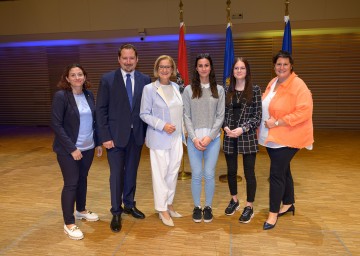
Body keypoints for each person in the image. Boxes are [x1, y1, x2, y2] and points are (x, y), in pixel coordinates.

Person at [96, 44, 151, 233]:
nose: (128, 62)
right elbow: (101, 110)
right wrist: (105, 137)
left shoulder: (145, 80)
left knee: (131, 174)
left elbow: (147, 109)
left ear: (137, 59)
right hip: (114, 138)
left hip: (136, 137)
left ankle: (129, 204)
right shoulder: (108, 79)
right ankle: (116, 211)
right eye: (125, 58)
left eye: (131, 58)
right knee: (117, 175)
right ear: (119, 59)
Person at [258, 50, 314, 230]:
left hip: (289, 136)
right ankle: (289, 202)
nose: (281, 67)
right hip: (274, 136)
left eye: (285, 64)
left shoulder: (298, 85)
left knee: (276, 174)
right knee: (284, 170)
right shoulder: (273, 82)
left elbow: (304, 112)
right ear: (274, 66)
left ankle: (273, 214)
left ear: (291, 66)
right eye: (278, 64)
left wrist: (278, 121)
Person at [51, 63, 103, 240]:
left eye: (80, 74)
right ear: (67, 78)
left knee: (82, 179)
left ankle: (81, 209)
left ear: (85, 77)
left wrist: (97, 143)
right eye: (73, 75)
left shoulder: (88, 94)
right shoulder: (61, 96)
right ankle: (68, 223)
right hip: (69, 150)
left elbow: (94, 121)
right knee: (71, 183)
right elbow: (56, 125)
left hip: (88, 147)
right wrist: (72, 148)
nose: (77, 77)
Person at [140, 55, 185, 227]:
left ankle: (169, 203)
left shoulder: (176, 87)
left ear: (172, 70)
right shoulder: (149, 89)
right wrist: (162, 125)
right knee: (160, 175)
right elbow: (144, 114)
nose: (165, 70)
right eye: (161, 67)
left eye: (168, 67)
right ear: (156, 70)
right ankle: (161, 209)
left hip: (176, 138)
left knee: (173, 172)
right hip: (159, 138)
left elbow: (181, 111)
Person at [183, 53, 225, 223]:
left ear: (211, 67)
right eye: (200, 65)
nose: (203, 68)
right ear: (196, 68)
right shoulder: (188, 89)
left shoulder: (219, 90)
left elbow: (220, 116)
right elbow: (186, 115)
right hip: (194, 140)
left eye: (206, 65)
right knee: (196, 174)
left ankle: (207, 206)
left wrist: (209, 137)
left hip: (212, 139)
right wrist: (193, 138)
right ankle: (196, 207)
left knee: (208, 174)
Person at [222, 57, 262, 223]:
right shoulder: (227, 90)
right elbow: (222, 114)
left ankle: (249, 206)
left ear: (247, 71)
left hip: (246, 137)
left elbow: (257, 117)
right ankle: (234, 200)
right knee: (231, 172)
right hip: (230, 136)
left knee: (249, 173)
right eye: (236, 68)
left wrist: (242, 129)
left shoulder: (255, 89)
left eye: (242, 68)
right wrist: (225, 127)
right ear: (233, 71)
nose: (239, 71)